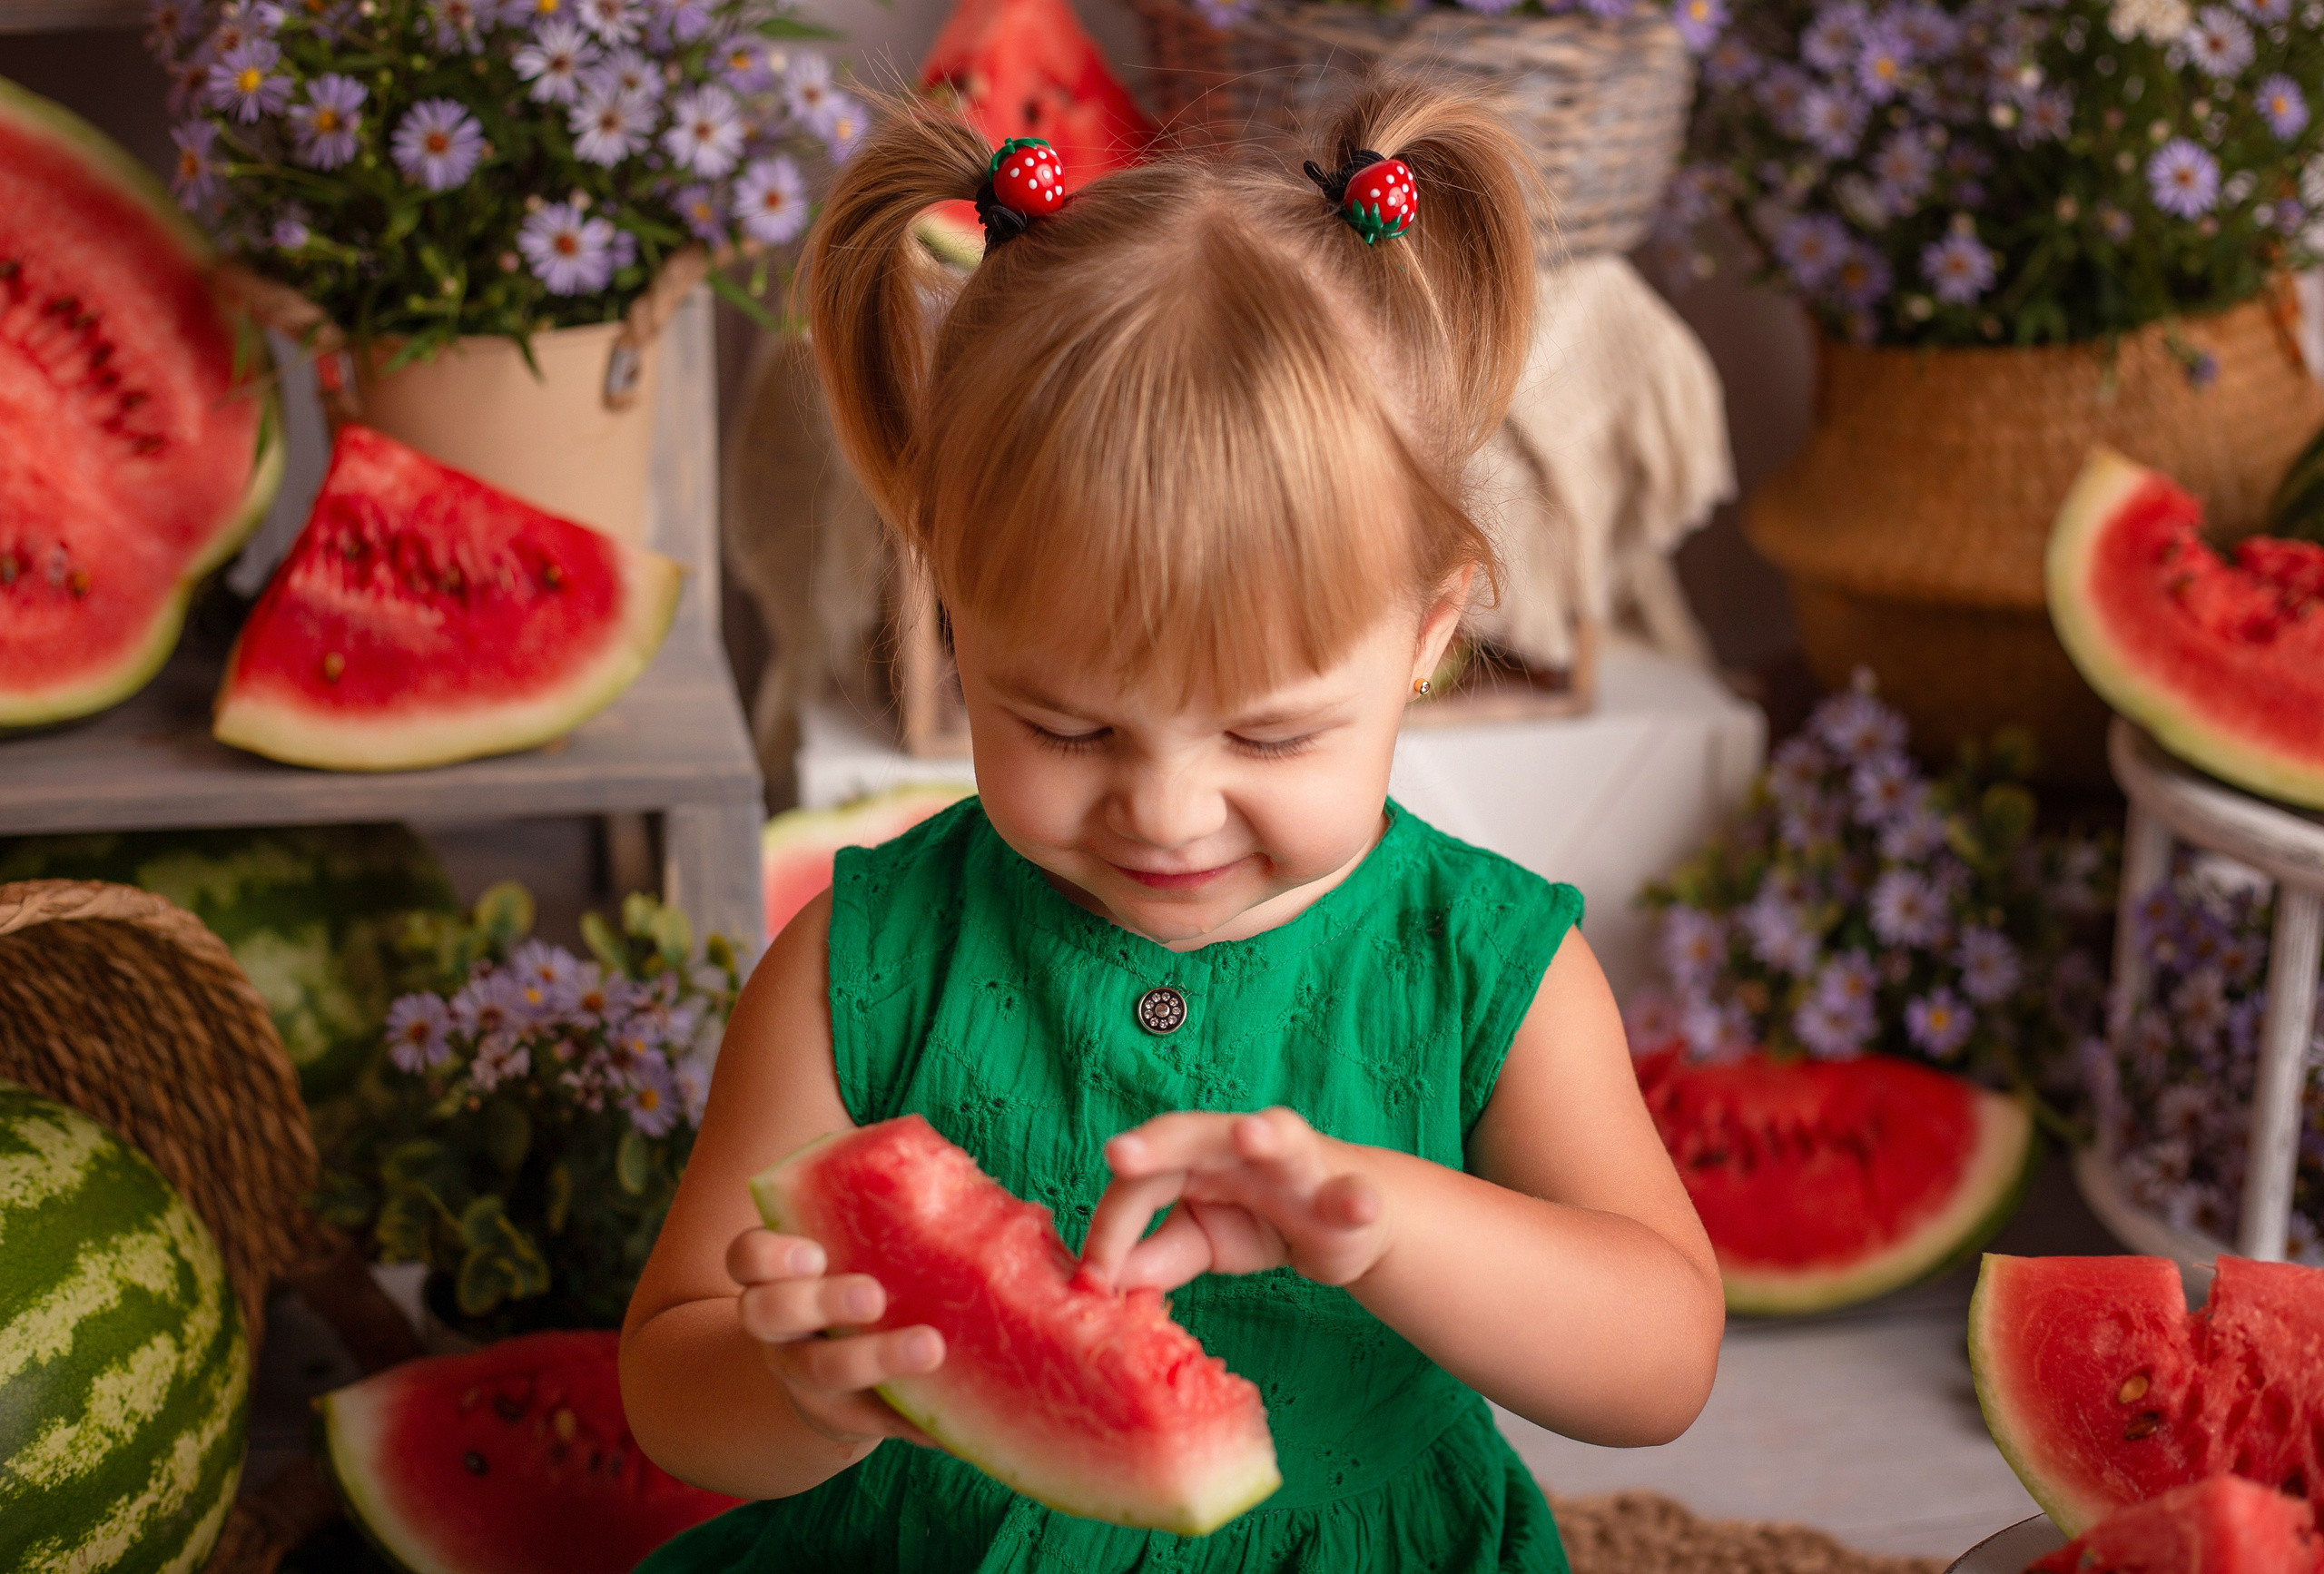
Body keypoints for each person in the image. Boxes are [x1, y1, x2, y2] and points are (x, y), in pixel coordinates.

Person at [621, 75, 1725, 1573]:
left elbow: (1661, 1361)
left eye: (1270, 734)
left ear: (1428, 632)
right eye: (1064, 727)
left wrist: (1388, 1223)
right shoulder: (857, 964)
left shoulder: (1490, 968)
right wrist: (794, 1393)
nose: (1165, 808)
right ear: (955, 619)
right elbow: (669, 1378)